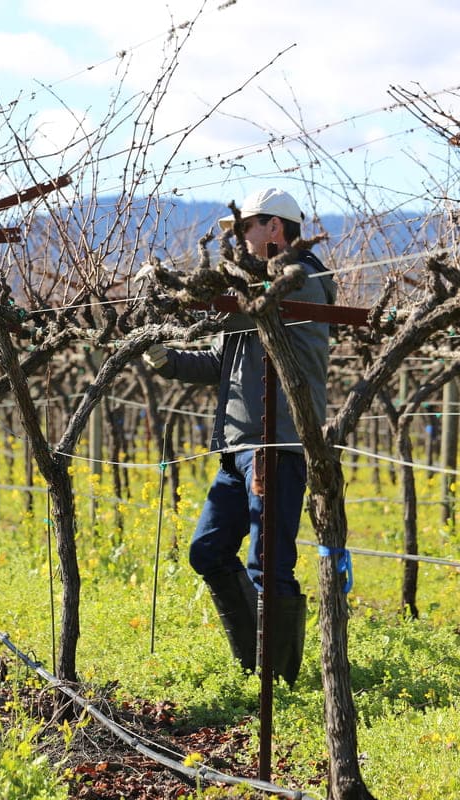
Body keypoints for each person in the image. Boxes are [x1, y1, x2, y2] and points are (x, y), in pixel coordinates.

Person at [143, 187, 336, 685]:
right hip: (238, 447)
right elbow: (219, 358)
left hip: (276, 443)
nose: (239, 240)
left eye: (245, 228)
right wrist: (170, 361)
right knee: (208, 550)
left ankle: (280, 681)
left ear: (275, 228)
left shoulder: (302, 278)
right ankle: (256, 667)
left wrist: (177, 298)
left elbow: (229, 312)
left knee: (268, 566)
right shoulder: (252, 289)